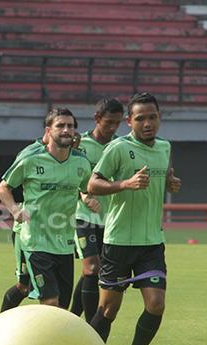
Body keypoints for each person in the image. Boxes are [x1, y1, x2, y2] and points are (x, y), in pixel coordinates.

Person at [87, 92, 182, 345]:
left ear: (159, 118)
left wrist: (170, 182)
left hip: (152, 242)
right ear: (129, 122)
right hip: (118, 242)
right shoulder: (118, 148)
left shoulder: (165, 148)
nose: (147, 123)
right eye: (140, 118)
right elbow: (92, 184)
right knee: (108, 310)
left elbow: (164, 175)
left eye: (152, 116)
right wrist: (125, 184)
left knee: (156, 304)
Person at [0, 108, 92, 311]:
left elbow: (85, 188)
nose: (67, 130)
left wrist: (87, 198)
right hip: (34, 241)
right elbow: (3, 186)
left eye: (71, 126)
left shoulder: (81, 162)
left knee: (60, 307)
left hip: (64, 243)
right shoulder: (31, 158)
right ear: (49, 131)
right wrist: (14, 210)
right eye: (61, 125)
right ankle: (5, 332)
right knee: (50, 302)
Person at [69, 98, 124, 322]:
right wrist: (84, 195)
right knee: (92, 268)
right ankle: (92, 327)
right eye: (108, 122)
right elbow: (69, 176)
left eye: (117, 123)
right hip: (83, 217)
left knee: (92, 272)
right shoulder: (79, 144)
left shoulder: (120, 146)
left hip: (110, 220)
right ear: (97, 119)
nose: (112, 128)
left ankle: (71, 317)